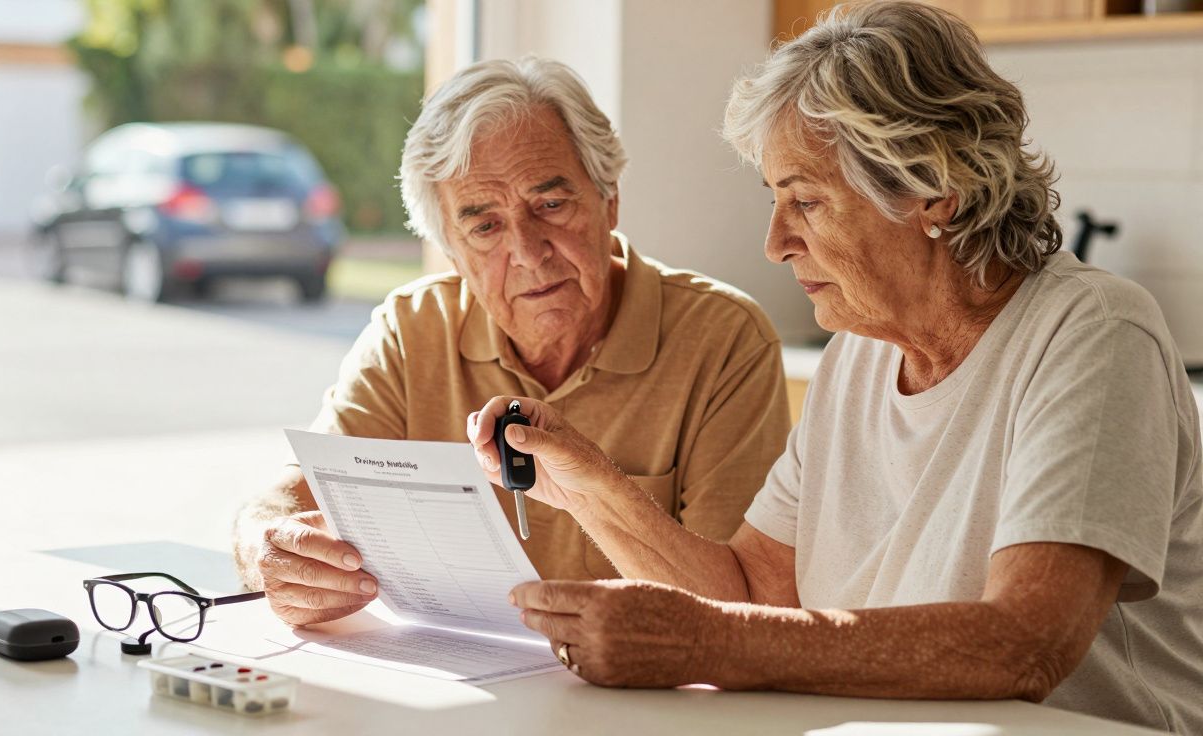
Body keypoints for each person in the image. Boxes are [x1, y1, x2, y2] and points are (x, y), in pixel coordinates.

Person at [468, 4, 1203, 732]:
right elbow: (757, 591)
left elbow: (1024, 643)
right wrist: (586, 484)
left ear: (933, 191)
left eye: (807, 201)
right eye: (775, 200)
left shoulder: (1094, 334)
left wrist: (704, 643)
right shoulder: (858, 352)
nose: (775, 241)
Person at [232, 57, 792, 629]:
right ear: (451, 248)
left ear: (610, 199)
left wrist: (595, 486)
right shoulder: (411, 331)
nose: (527, 252)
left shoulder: (724, 340)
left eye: (550, 205)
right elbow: (286, 500)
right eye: (485, 226)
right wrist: (265, 548)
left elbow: (739, 610)